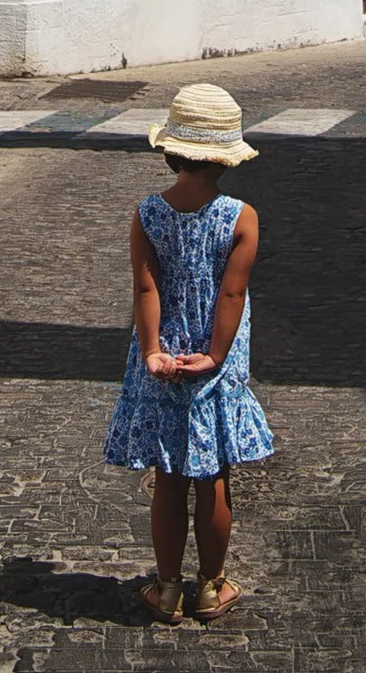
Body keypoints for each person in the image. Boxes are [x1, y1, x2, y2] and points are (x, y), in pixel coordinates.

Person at [104, 82, 273, 623]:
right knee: (214, 474)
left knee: (169, 477)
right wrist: (217, 358)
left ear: (172, 150)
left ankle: (169, 588)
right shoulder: (240, 216)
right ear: (225, 159)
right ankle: (211, 587)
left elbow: (145, 287)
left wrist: (154, 352)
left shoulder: (147, 213)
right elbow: (232, 292)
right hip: (210, 363)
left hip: (164, 358)